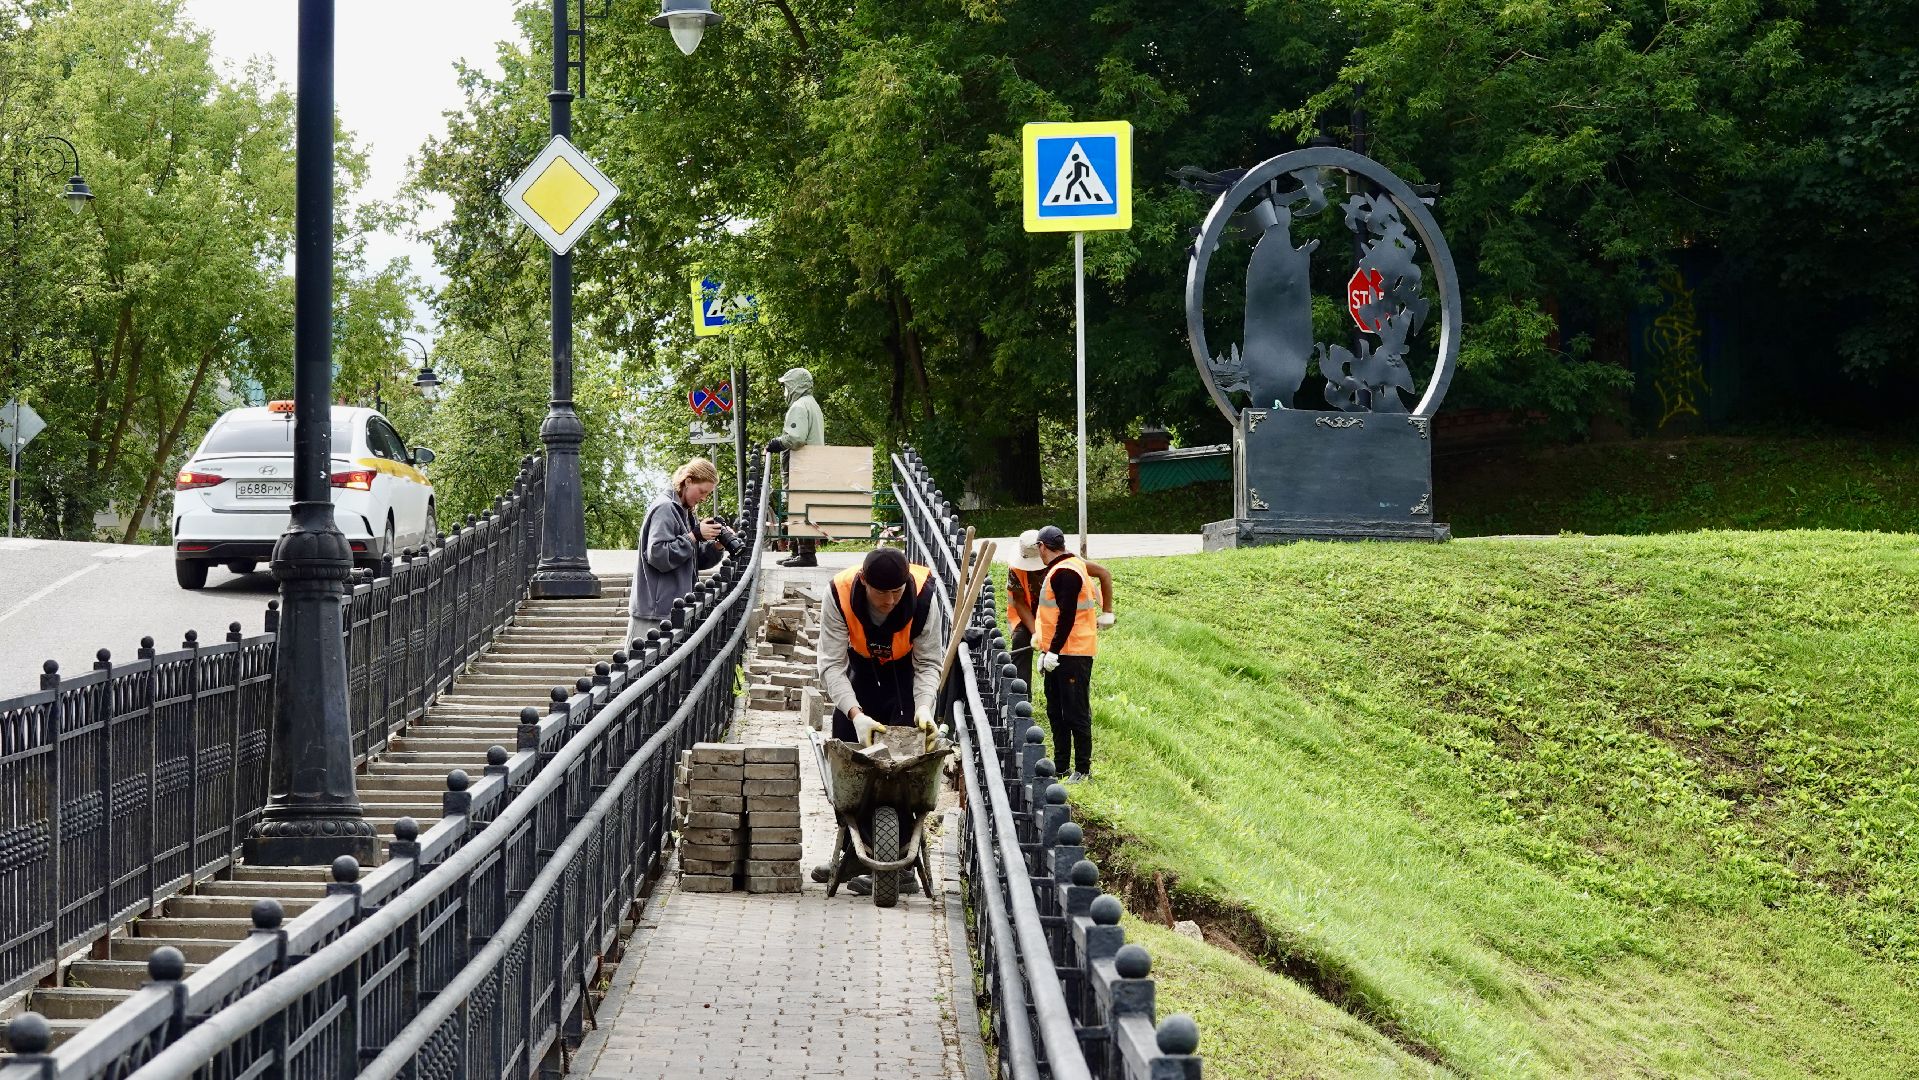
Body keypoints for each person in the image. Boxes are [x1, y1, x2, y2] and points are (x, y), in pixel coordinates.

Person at [812, 545, 945, 895]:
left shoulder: (924, 593)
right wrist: (855, 714)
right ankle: (856, 853)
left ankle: (900, 862)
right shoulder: (838, 594)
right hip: (861, 673)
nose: (888, 601)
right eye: (880, 593)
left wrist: (925, 708)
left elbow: (930, 662)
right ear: (863, 582)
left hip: (905, 679)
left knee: (902, 765)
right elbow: (830, 665)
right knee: (848, 755)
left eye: (896, 593)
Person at [628, 458, 734, 643]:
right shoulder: (665, 508)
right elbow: (658, 554)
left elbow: (694, 560)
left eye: (708, 495)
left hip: (673, 610)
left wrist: (717, 546)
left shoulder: (686, 511)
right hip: (654, 614)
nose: (703, 498)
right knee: (643, 669)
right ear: (688, 481)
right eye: (702, 492)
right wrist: (693, 536)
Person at [1007, 529, 1116, 692]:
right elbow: (1019, 602)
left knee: (1065, 657)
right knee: (1020, 641)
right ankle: (1020, 696)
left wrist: (1107, 612)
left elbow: (1103, 573)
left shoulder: (1067, 563)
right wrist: (1035, 632)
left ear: (1042, 549)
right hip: (1030, 615)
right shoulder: (1015, 568)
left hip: (1060, 616)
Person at [1032, 525, 1100, 782]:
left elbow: (1067, 616)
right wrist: (1047, 650)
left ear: (1042, 547)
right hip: (1061, 652)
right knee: (1056, 710)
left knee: (1075, 711)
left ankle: (1083, 769)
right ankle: (1061, 766)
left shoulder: (1066, 571)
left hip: (1072, 653)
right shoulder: (1070, 566)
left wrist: (1054, 651)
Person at [764, 366, 825, 567]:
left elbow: (796, 438)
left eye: (786, 386)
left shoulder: (799, 406)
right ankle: (797, 550)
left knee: (799, 505)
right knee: (799, 505)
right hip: (811, 462)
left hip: (800, 462)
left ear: (794, 386)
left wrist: (777, 443)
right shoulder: (812, 404)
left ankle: (806, 554)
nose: (785, 391)